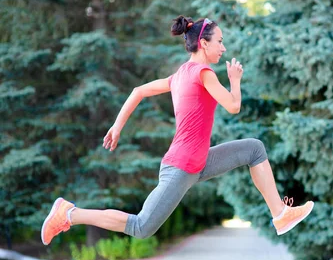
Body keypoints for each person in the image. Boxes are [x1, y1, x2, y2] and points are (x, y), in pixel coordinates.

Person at [41, 16, 314, 245]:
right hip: (183, 166)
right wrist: (235, 81)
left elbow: (139, 91)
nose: (223, 47)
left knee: (254, 149)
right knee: (141, 227)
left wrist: (117, 126)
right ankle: (70, 214)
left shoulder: (180, 74)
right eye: (219, 41)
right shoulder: (203, 73)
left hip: (198, 162)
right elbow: (233, 106)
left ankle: (280, 213)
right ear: (203, 43)